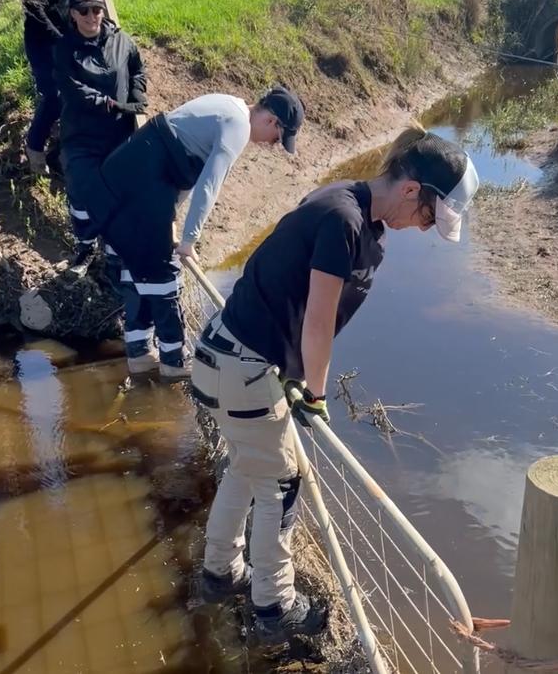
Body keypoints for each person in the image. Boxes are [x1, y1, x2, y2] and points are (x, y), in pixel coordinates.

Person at [190, 122, 479, 644]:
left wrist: (293, 376)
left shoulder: (343, 199)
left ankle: (218, 572)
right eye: (427, 217)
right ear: (412, 190)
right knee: (283, 483)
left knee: (248, 466)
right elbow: (317, 320)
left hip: (220, 356)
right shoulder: (345, 222)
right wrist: (315, 394)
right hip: (244, 368)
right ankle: (274, 607)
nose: (421, 227)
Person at [83, 87, 305, 380]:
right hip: (139, 188)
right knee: (164, 277)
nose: (272, 145)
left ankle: (139, 356)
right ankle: (175, 361)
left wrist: (170, 223)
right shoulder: (237, 126)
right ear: (272, 122)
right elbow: (208, 186)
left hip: (121, 182)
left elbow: (179, 171)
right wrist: (189, 241)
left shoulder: (227, 104)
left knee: (136, 270)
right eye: (277, 140)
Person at [54, 0, 147, 271]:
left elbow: (137, 70)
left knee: (116, 191)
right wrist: (105, 102)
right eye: (84, 11)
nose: (91, 16)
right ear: (73, 14)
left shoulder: (122, 41)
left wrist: (138, 95)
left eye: (96, 9)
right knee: (81, 190)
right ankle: (84, 246)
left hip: (118, 134)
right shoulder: (64, 48)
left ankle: (112, 250)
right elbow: (72, 88)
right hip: (81, 136)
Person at [18, 0, 113, 174]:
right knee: (54, 96)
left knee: (64, 93)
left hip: (59, 40)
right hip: (43, 43)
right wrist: (62, 39)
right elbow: (37, 12)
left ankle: (55, 135)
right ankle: (35, 148)